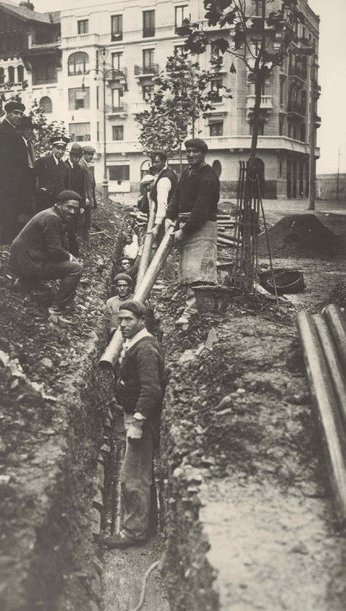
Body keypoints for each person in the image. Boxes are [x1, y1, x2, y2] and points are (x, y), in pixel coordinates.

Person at [102, 300, 165, 549]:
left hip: (142, 419)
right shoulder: (137, 342)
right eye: (120, 319)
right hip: (135, 414)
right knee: (139, 473)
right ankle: (145, 525)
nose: (123, 324)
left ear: (142, 320)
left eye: (128, 319)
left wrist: (138, 421)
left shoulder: (146, 348)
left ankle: (133, 533)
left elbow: (152, 389)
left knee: (133, 476)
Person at [165, 138, 220, 326]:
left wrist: (184, 231)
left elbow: (201, 210)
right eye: (187, 151)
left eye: (195, 152)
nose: (190, 155)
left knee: (199, 271)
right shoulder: (187, 173)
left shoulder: (208, 176)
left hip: (202, 227)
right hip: (188, 223)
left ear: (203, 153)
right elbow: (176, 196)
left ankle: (192, 314)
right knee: (189, 269)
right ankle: (191, 308)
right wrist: (168, 216)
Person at [9, 190, 83, 315]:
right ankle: (58, 307)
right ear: (59, 204)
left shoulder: (50, 214)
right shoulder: (52, 218)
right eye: (69, 207)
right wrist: (71, 258)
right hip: (29, 262)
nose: (72, 212)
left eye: (75, 209)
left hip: (25, 259)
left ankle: (24, 283)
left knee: (69, 263)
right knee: (76, 269)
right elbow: (54, 250)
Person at [0, 99, 32, 244]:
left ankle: (12, 244)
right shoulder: (2, 132)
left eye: (21, 114)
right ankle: (7, 244)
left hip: (16, 182)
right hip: (8, 183)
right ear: (7, 113)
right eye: (15, 113)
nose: (19, 116)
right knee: (8, 214)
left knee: (15, 214)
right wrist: (10, 183)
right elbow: (2, 162)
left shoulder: (14, 131)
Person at [34, 136, 69, 212]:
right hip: (43, 202)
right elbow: (32, 178)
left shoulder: (65, 167)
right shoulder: (42, 162)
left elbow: (66, 184)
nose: (60, 151)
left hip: (58, 203)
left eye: (63, 149)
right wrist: (39, 191)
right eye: (58, 148)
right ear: (52, 148)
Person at [150, 151, 178, 246]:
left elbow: (162, 204)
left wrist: (156, 226)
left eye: (157, 162)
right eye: (153, 161)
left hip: (165, 221)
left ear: (164, 162)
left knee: (162, 246)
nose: (154, 164)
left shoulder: (164, 179)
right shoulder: (167, 173)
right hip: (170, 218)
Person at [64, 143, 86, 253]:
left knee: (74, 229)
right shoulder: (64, 167)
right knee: (64, 228)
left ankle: (74, 252)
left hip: (76, 204)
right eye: (75, 157)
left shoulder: (80, 169)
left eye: (79, 157)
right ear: (71, 156)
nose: (77, 159)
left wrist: (82, 205)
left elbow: (82, 189)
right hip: (66, 203)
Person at [16, 115, 37, 230]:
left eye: (31, 129)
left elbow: (33, 162)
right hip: (22, 182)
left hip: (31, 181)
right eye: (27, 128)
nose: (30, 131)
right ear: (21, 130)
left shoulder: (29, 144)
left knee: (30, 208)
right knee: (23, 210)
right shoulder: (18, 144)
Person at [79, 144, 98, 236]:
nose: (91, 157)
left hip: (88, 197)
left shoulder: (86, 165)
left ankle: (85, 236)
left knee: (87, 220)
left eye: (92, 154)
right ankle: (83, 238)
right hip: (84, 198)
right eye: (89, 154)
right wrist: (86, 197)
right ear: (84, 154)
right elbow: (82, 184)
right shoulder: (81, 165)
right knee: (84, 220)